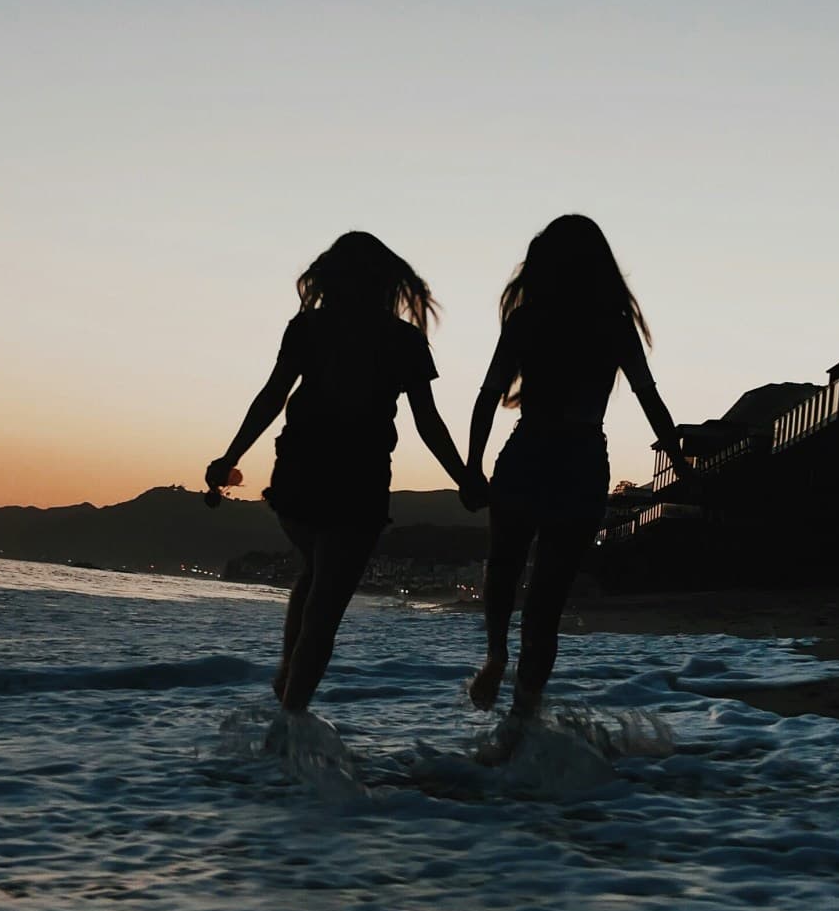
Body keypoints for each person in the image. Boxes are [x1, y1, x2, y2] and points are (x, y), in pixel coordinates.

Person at [208, 232, 473, 714]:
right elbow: (427, 420)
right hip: (358, 478)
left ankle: (287, 683)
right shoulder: (403, 339)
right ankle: (290, 717)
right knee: (325, 603)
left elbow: (272, 396)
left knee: (316, 574)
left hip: (298, 475)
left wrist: (230, 457)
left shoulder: (309, 327)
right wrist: (465, 478)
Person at [463, 215, 689, 721]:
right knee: (545, 605)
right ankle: (521, 724)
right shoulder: (613, 325)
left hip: (529, 451)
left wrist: (471, 467)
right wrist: (678, 463)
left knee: (503, 567)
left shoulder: (527, 321)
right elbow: (649, 398)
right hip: (582, 459)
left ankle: (496, 654)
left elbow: (486, 397)